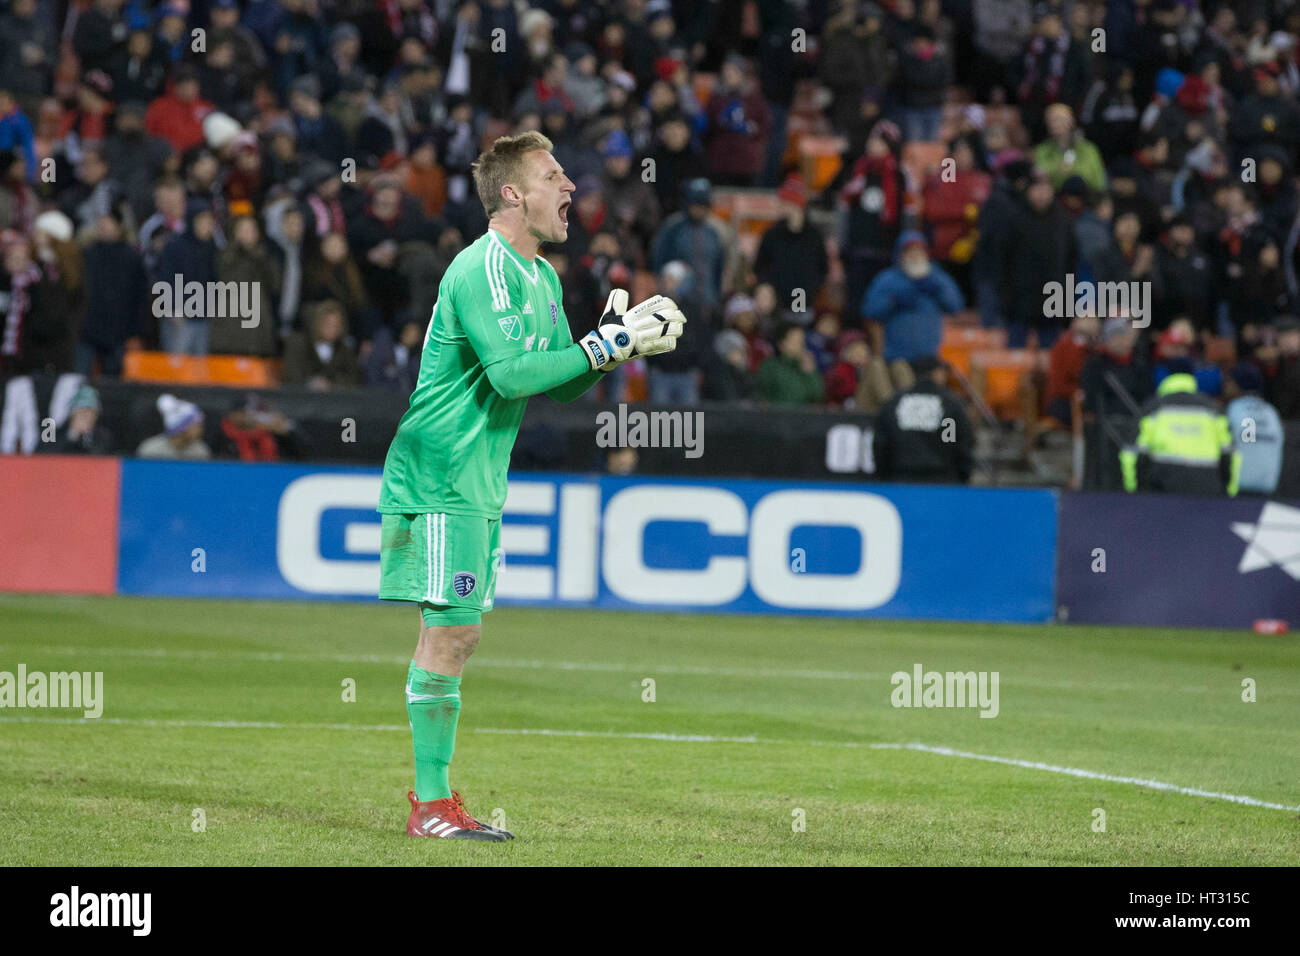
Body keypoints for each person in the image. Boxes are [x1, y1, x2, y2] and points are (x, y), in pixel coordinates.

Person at [376, 132, 685, 842]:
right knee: (453, 632)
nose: (570, 188)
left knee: (457, 634)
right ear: (513, 194)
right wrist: (602, 346)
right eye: (553, 177)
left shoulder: (541, 277)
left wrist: (613, 349)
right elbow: (512, 375)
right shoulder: (483, 267)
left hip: (477, 477)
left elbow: (559, 381)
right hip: (440, 471)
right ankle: (430, 807)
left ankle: (435, 804)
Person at [1120, 373, 1239, 496]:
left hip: (1163, 487)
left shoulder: (1154, 407)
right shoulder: (1213, 409)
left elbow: (1132, 453)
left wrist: (1132, 489)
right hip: (1207, 487)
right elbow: (1229, 453)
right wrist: (1229, 491)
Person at [862, 230, 964, 366]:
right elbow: (870, 311)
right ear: (900, 255)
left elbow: (956, 306)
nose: (915, 255)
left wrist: (939, 290)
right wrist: (893, 301)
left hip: (930, 356)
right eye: (909, 251)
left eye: (919, 250)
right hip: (897, 357)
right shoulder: (887, 280)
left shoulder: (937, 277)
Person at [872, 355, 973, 483]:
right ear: (937, 373)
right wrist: (961, 477)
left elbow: (881, 444)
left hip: (900, 480)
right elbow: (958, 444)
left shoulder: (894, 403)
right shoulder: (950, 405)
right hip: (941, 480)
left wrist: (884, 477)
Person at [1223, 363, 1283, 495]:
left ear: (1238, 384)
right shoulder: (1271, 412)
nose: (1226, 386)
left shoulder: (1234, 409)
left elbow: (1224, 446)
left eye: (1229, 381)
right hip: (1268, 488)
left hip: (1239, 488)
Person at [758, 323, 824, 405]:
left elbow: (817, 396)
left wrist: (810, 373)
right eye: (795, 340)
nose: (801, 345)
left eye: (802, 340)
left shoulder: (807, 366)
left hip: (805, 416)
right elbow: (764, 396)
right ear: (781, 344)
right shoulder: (770, 366)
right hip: (777, 415)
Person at [136, 393, 210, 459]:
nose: (201, 429)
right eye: (196, 426)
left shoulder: (201, 451)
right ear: (182, 428)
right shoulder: (150, 450)